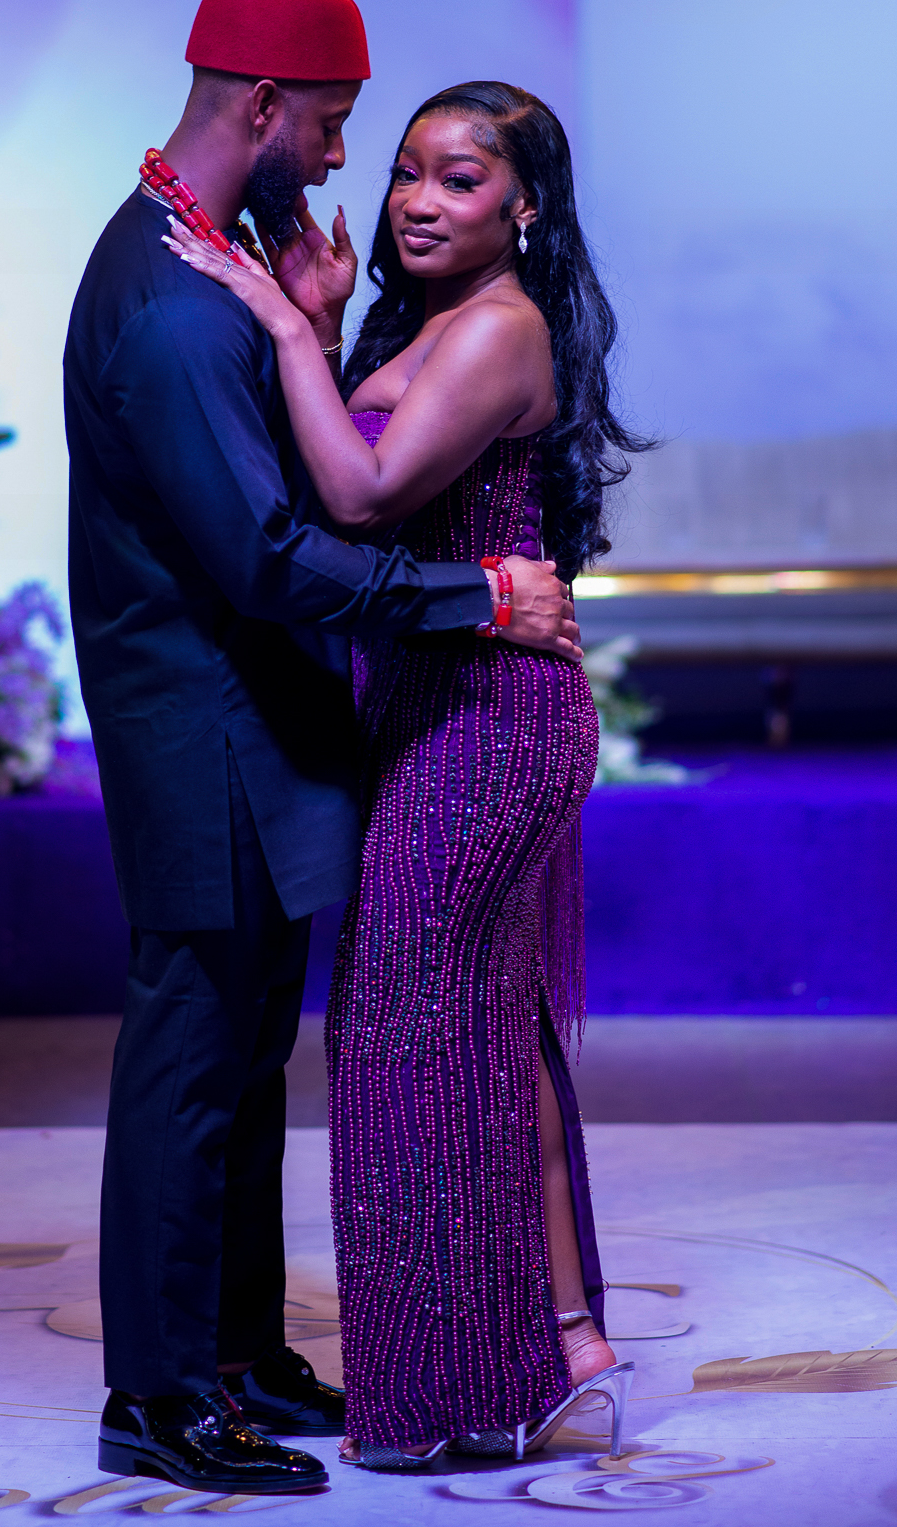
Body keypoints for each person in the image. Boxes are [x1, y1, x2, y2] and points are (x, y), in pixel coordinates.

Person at [64, 0, 581, 1500]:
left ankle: (233, 1350)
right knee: (190, 1060)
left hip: (253, 723)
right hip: (204, 727)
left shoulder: (212, 256)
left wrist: (319, 316)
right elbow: (276, 556)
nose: (350, 163)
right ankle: (157, 1392)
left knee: (240, 1062)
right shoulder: (165, 300)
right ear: (261, 113)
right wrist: (477, 593)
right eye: (341, 129)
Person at [165, 80, 646, 1471]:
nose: (420, 202)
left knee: (408, 1034)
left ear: (526, 210)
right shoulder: (427, 322)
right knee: (486, 1027)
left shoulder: (499, 329)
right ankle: (563, 1344)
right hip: (442, 705)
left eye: (462, 181)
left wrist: (274, 325)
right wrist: (318, 327)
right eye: (407, 176)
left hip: (488, 723)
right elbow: (333, 496)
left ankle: (458, 1384)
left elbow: (364, 503)